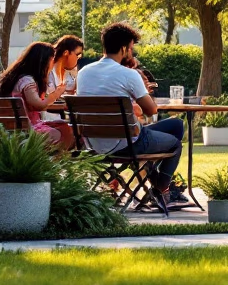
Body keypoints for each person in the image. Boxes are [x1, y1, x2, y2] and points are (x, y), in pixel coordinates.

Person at [75, 23, 186, 213]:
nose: (132, 52)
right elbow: (151, 110)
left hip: (94, 144)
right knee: (175, 143)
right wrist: (142, 86)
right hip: (127, 144)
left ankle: (156, 184)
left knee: (175, 125)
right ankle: (161, 188)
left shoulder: (84, 72)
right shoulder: (129, 75)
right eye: (131, 48)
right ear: (124, 48)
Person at [0, 42, 73, 150]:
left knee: (65, 127)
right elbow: (39, 105)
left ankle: (53, 162)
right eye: (52, 59)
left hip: (16, 129)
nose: (53, 63)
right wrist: (57, 93)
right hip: (28, 131)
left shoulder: (15, 78)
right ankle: (54, 163)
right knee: (67, 132)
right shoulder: (27, 81)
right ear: (42, 61)